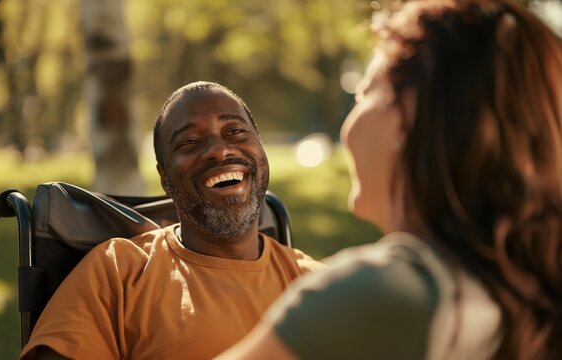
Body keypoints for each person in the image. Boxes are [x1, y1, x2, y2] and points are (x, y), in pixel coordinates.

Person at [216, 0, 562, 359]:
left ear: (407, 115)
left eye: (364, 94)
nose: (348, 125)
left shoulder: (381, 293)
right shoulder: (526, 289)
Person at [20, 81, 325, 359]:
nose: (219, 150)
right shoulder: (116, 270)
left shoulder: (318, 286)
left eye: (235, 131)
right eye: (189, 142)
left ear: (260, 150)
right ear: (165, 178)